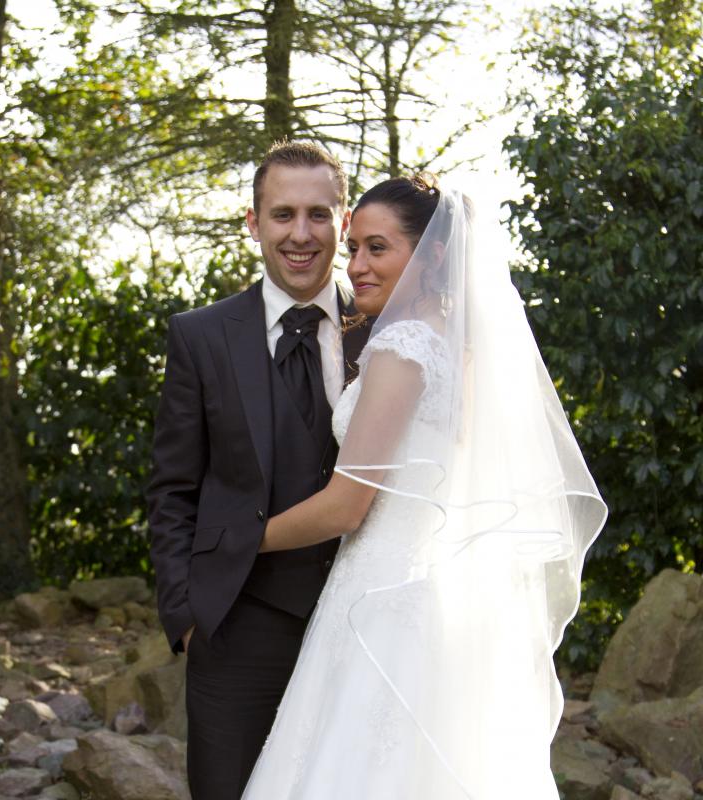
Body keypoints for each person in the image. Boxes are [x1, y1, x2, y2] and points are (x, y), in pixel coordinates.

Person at [240, 175, 608, 799]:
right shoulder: (459, 349)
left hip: (379, 602)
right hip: (435, 600)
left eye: (376, 248)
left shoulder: (403, 349)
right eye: (354, 247)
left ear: (432, 254)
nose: (355, 266)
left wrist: (239, 540)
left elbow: (347, 504)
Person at [146, 140, 370, 800]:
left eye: (319, 214)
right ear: (253, 222)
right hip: (235, 623)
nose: (301, 235)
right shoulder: (202, 336)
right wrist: (184, 610)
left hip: (363, 624)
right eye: (282, 215)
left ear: (345, 220)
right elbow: (173, 485)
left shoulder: (385, 330)